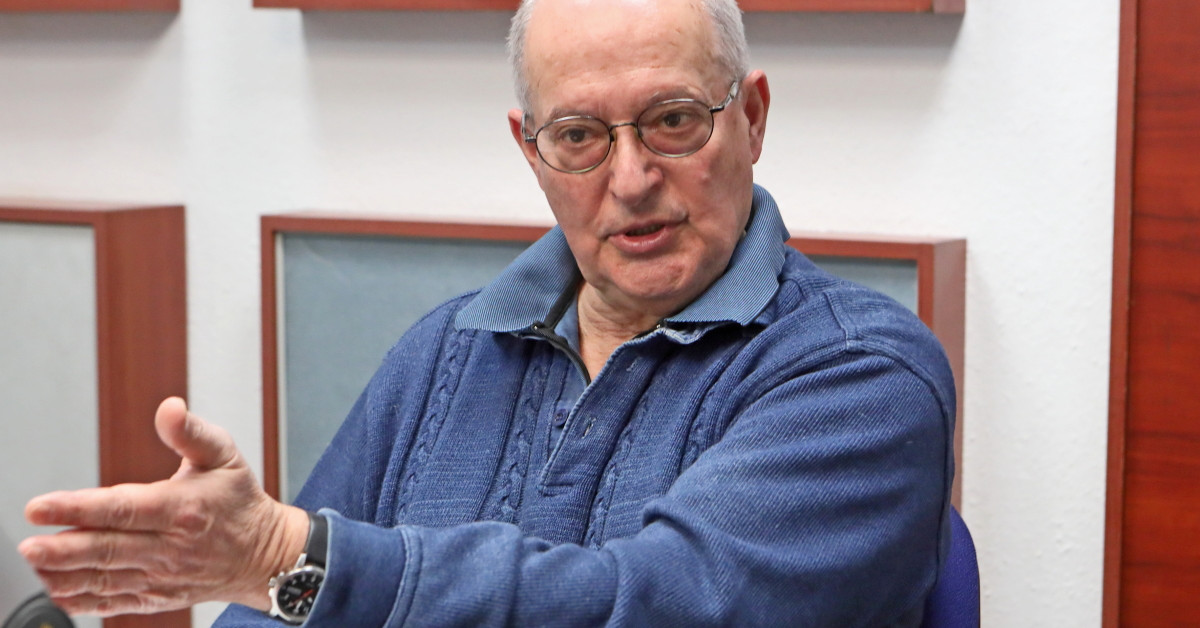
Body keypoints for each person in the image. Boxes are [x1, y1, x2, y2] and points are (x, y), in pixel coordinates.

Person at [19, 0, 956, 625]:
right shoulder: (444, 352)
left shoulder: (862, 376)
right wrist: (258, 566)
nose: (632, 179)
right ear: (530, 150)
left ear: (750, 117)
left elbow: (651, 607)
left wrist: (287, 556)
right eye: (580, 136)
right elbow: (288, 603)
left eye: (673, 120)